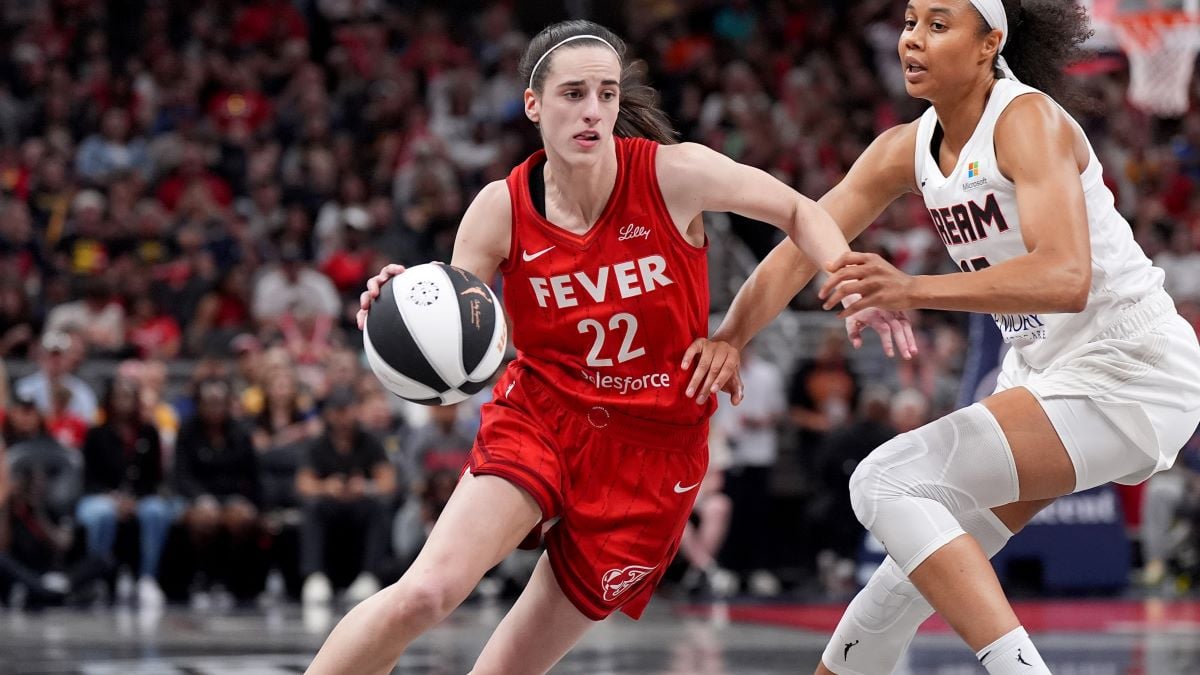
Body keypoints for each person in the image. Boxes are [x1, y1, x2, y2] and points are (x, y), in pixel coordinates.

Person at [306, 19, 910, 675]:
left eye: (606, 93)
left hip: (655, 449)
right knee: (423, 594)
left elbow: (798, 210)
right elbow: (458, 328)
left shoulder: (674, 175)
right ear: (533, 105)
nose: (593, 110)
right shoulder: (499, 209)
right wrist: (405, 301)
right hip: (544, 416)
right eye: (573, 94)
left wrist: (846, 276)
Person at [696, 1, 1200, 673]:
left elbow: (1066, 276)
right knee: (903, 581)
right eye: (910, 22)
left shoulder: (1028, 121)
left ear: (991, 43)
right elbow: (803, 246)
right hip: (1047, 368)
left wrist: (910, 287)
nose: (913, 39)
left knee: (884, 479)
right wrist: (732, 335)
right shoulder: (905, 148)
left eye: (938, 24)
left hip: (1128, 363)